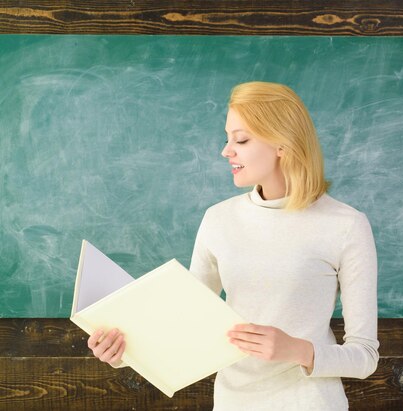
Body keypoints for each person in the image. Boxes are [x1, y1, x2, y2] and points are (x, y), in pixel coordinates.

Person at [87, 81, 379, 410]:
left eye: (241, 139)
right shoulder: (218, 220)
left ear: (282, 143)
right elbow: (181, 325)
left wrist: (298, 349)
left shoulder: (346, 225)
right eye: (227, 138)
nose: (226, 151)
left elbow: (365, 356)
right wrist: (123, 352)